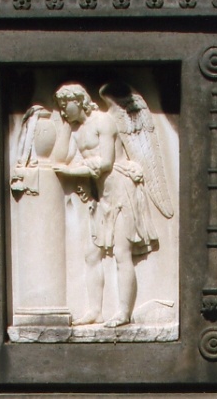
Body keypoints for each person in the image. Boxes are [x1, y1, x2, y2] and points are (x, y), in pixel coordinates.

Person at [53, 83, 156, 327]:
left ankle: (123, 312)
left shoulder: (104, 122)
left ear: (78, 101)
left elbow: (106, 162)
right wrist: (66, 128)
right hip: (101, 196)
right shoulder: (77, 130)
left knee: (122, 253)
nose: (62, 111)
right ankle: (95, 311)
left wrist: (72, 171)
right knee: (92, 255)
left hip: (121, 189)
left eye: (64, 106)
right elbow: (57, 160)